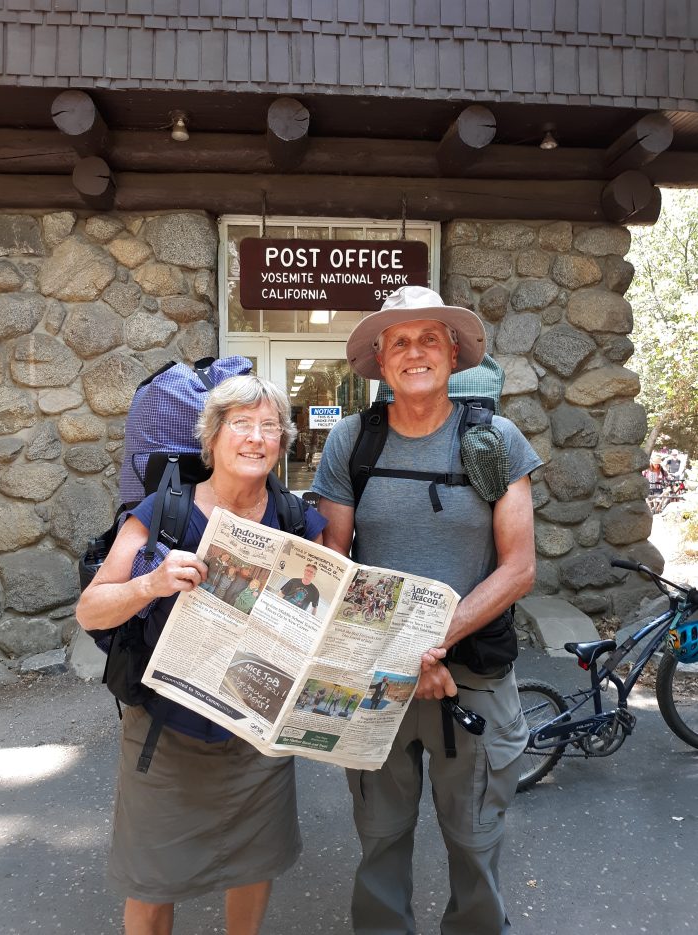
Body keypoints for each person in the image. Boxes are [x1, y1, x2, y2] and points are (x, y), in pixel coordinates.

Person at [312, 285, 542, 935]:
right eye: (400, 341)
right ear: (381, 360)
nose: (415, 352)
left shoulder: (494, 438)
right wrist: (399, 652)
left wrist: (429, 643)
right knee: (380, 839)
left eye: (429, 338)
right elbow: (336, 562)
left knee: (474, 840)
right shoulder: (353, 441)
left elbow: (518, 566)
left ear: (453, 353)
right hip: (376, 678)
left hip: (470, 678)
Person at [76, 375, 327, 935]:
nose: (256, 438)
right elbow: (90, 610)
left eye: (270, 427)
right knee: (153, 878)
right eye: (241, 423)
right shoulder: (164, 511)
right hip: (167, 733)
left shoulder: (295, 519)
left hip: (255, 731)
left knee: (253, 864)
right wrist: (150, 584)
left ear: (283, 443)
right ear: (211, 439)